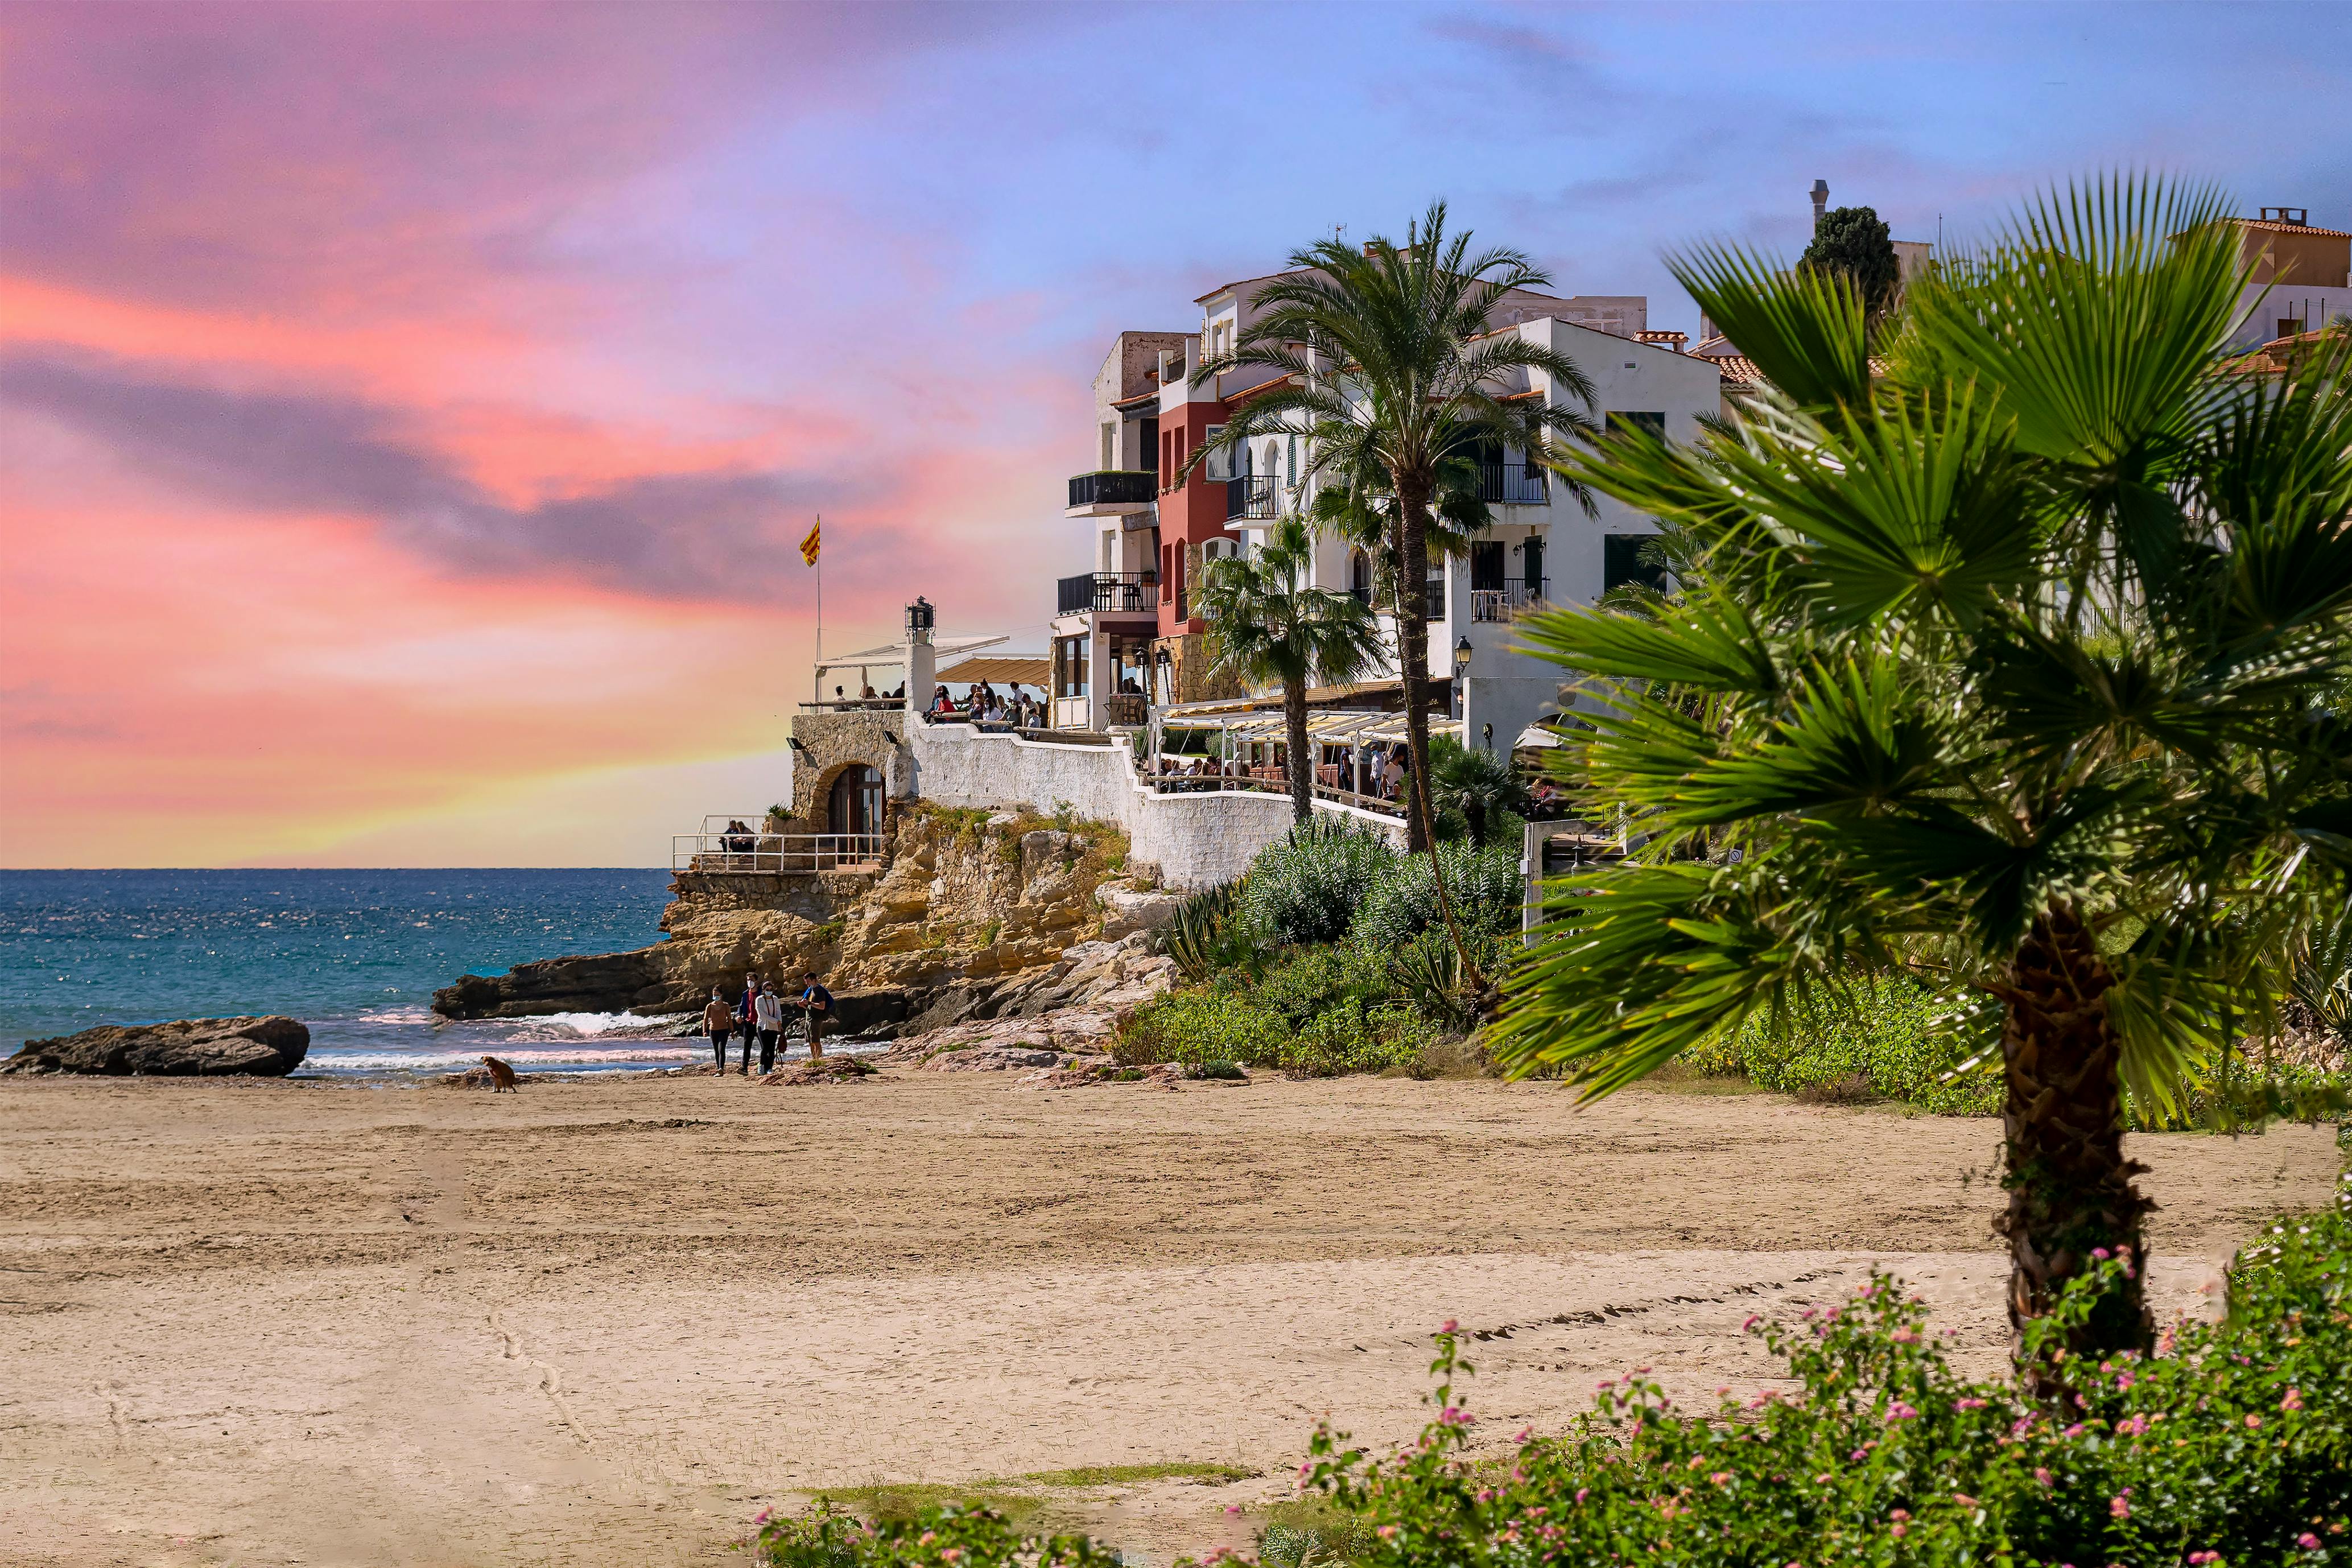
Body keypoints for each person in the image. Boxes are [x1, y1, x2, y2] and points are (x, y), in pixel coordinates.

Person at [796, 969, 833, 1059]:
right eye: (806, 982)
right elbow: (810, 1007)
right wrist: (803, 1006)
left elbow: (822, 1006)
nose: (807, 984)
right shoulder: (811, 990)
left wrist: (809, 1003)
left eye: (808, 981)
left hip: (816, 1020)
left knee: (816, 1041)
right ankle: (814, 1058)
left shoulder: (819, 991)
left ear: (814, 980)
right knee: (811, 1042)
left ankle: (819, 1059)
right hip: (809, 1019)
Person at [754, 981, 784, 1075]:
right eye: (767, 990)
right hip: (763, 1026)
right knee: (765, 1047)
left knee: (772, 1048)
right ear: (763, 990)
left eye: (771, 990)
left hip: (774, 1027)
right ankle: (761, 1065)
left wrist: (779, 1022)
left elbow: (778, 1011)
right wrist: (775, 1021)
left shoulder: (775, 999)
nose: (769, 991)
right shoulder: (759, 999)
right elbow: (762, 1015)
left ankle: (769, 1068)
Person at [701, 988, 733, 1072]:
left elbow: (729, 1019)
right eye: (715, 995)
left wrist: (732, 1031)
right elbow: (705, 1019)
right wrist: (705, 1031)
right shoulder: (710, 1006)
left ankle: (721, 1068)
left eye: (718, 995)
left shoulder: (726, 1005)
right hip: (713, 1031)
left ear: (721, 995)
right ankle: (719, 1068)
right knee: (716, 1050)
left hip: (724, 1030)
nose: (716, 996)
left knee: (721, 1049)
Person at [736, 972, 762, 1075]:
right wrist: (738, 1015)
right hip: (748, 1023)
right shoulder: (745, 994)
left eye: (751, 979)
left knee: (764, 1046)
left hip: (760, 1023)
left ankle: (764, 1066)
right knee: (747, 1047)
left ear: (756, 981)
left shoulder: (762, 993)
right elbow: (741, 1007)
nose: (749, 982)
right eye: (748, 980)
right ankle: (744, 1067)